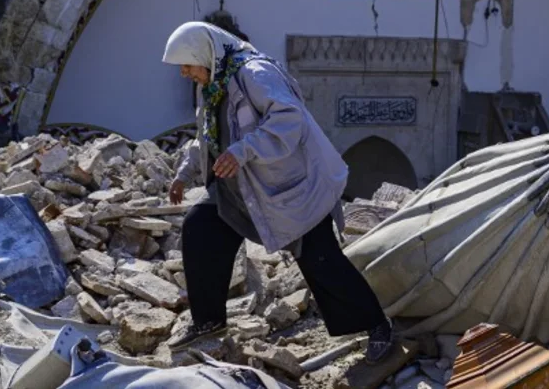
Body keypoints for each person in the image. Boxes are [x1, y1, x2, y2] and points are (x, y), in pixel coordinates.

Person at [161, 21, 394, 362]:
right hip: (238, 190)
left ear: (204, 54)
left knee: (320, 258)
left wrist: (242, 151)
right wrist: (184, 173)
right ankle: (208, 320)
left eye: (186, 63)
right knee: (201, 226)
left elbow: (289, 119)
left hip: (291, 188)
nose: (184, 72)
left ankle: (378, 326)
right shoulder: (212, 84)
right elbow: (207, 135)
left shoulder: (254, 74)